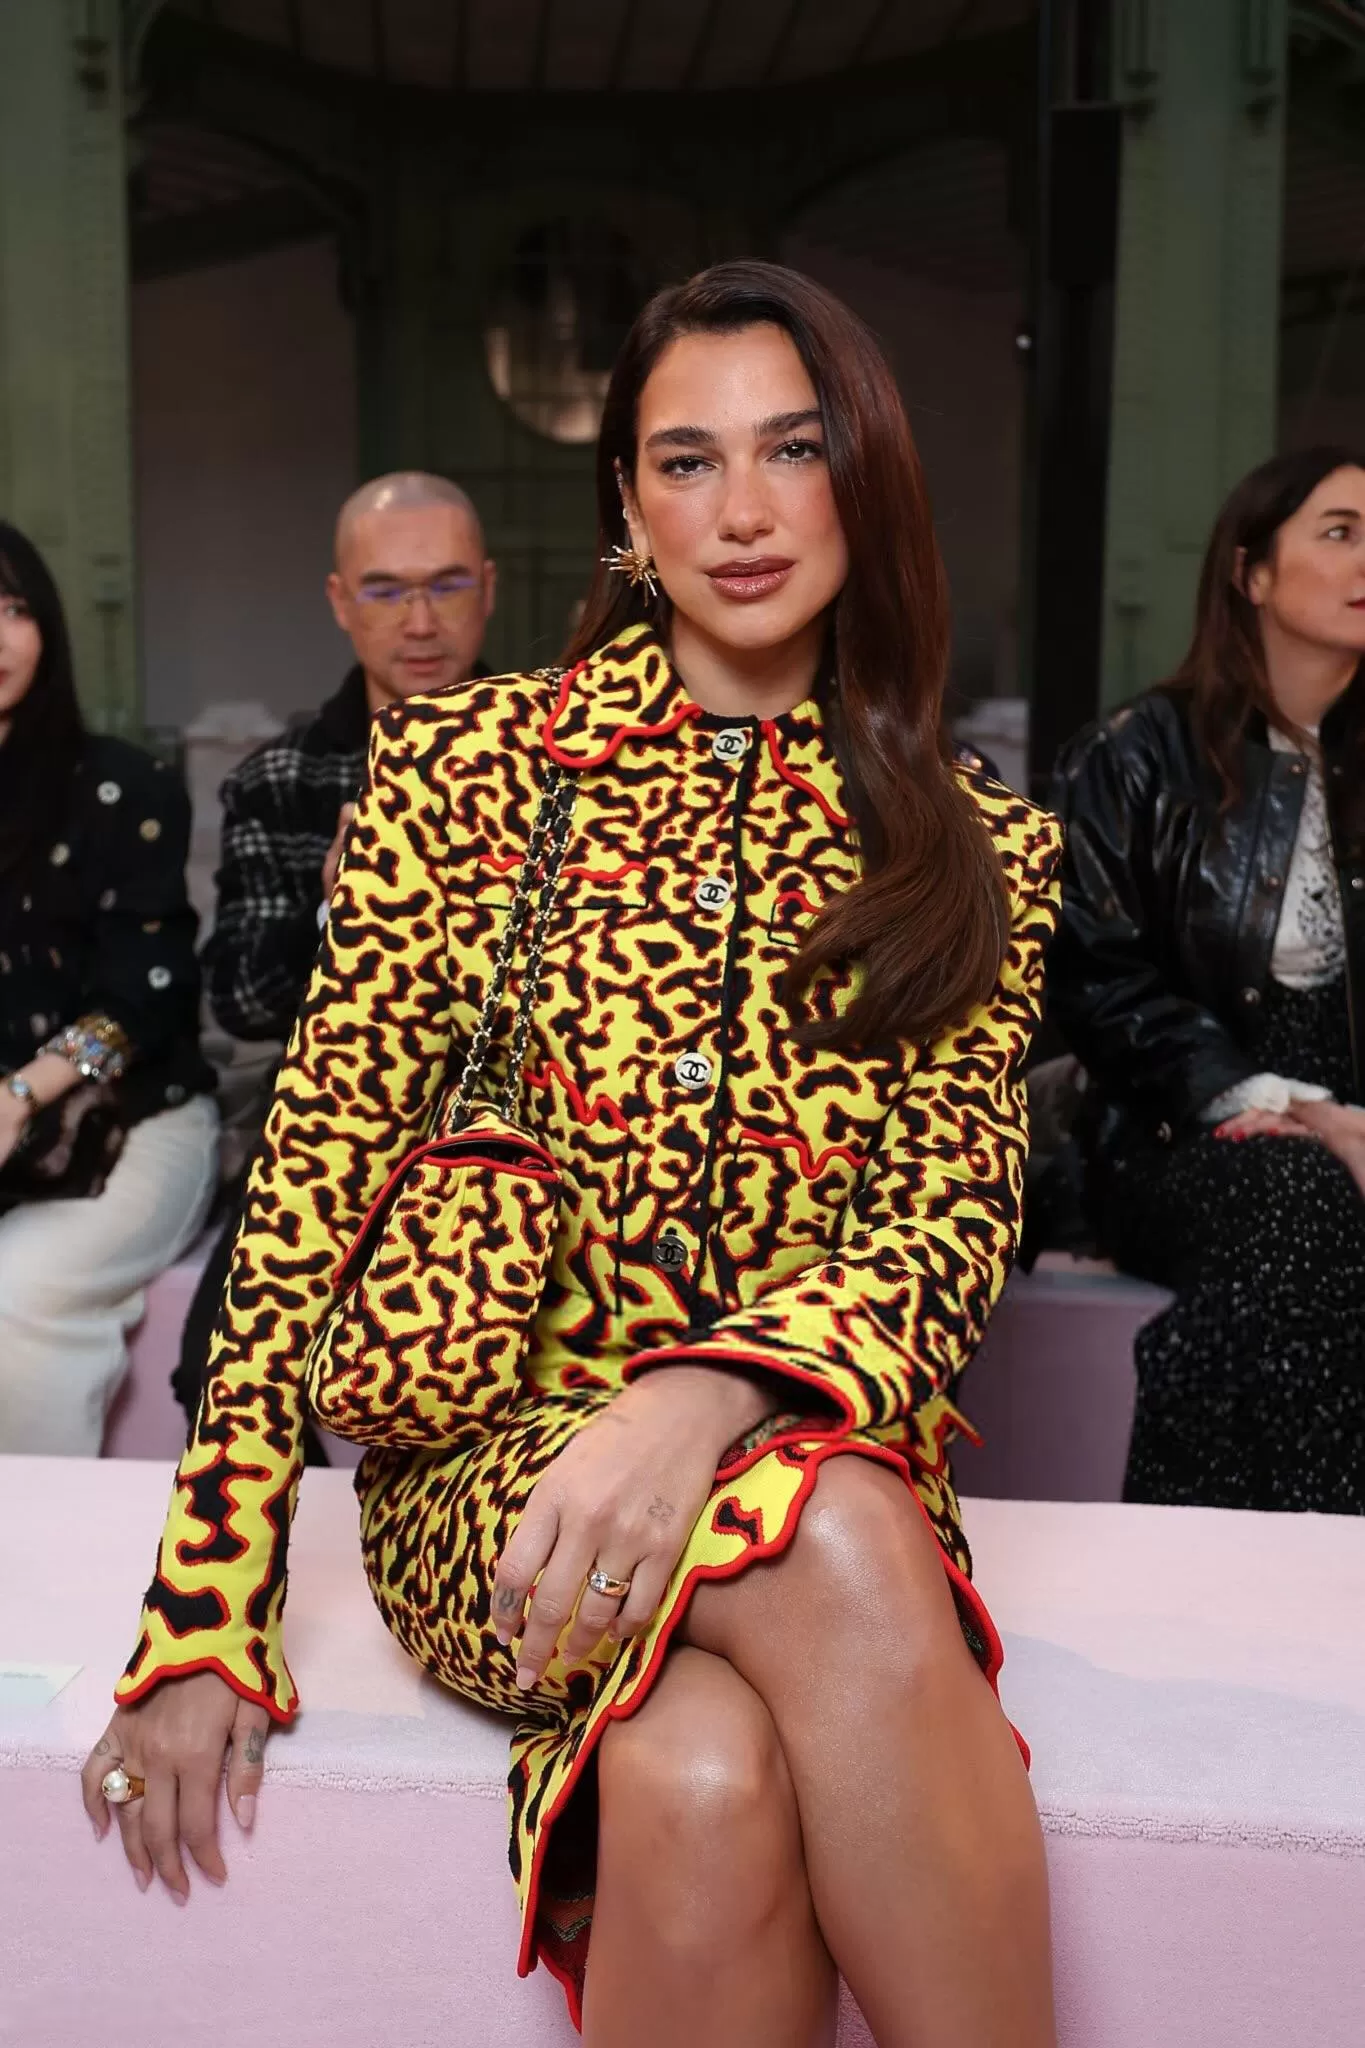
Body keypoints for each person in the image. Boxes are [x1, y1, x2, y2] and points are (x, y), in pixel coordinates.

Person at [83, 263, 1061, 2048]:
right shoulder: (468, 770)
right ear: (628, 501)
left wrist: (702, 1398)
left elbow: (947, 1223)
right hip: (499, 1483)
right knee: (834, 1543)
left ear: (868, 478)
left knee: (702, 1773)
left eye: (794, 450)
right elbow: (308, 1186)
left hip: (796, 1448)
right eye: (688, 461)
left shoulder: (976, 841)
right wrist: (205, 1612)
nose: (743, 511)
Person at [1049, 445, 1365, 1511]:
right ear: (1251, 572)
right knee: (1299, 1206)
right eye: (1339, 532)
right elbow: (1093, 978)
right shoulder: (1137, 756)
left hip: (1351, 1126)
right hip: (1179, 1124)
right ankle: (1233, 1554)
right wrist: (1275, 1100)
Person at [170, 473, 497, 1440]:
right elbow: (242, 997)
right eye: (387, 590)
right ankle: (287, 1535)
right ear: (341, 601)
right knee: (221, 1371)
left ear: (487, 588)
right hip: (331, 1131)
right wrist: (341, 913)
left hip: (524, 1132)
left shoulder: (569, 761)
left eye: (445, 585)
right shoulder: (283, 776)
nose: (420, 622)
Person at [0, 521, 218, 1454]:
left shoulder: (123, 789)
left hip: (139, 1120)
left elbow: (146, 996)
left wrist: (19, 1094)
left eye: (15, 609)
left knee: (17, 1294)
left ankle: (34, 1542)